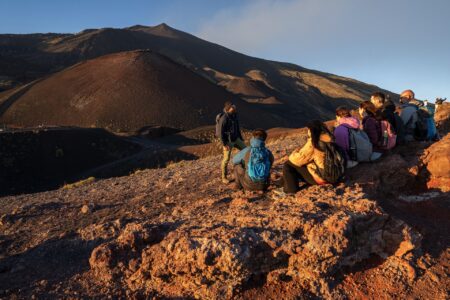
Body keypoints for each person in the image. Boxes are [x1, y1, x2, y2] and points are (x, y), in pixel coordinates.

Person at [280, 120, 345, 194]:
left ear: (311, 131)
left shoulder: (314, 143)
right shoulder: (331, 139)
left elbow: (296, 160)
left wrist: (294, 152)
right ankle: (281, 182)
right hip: (337, 174)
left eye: (308, 130)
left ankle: (290, 190)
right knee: (305, 161)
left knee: (288, 164)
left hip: (324, 177)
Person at [216, 101, 246, 184]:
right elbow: (221, 133)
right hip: (228, 141)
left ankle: (244, 168)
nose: (235, 108)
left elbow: (237, 128)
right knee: (226, 159)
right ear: (228, 108)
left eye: (234, 106)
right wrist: (224, 144)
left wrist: (241, 138)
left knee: (246, 150)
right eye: (233, 107)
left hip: (236, 138)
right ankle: (224, 177)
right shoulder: (224, 118)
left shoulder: (234, 116)